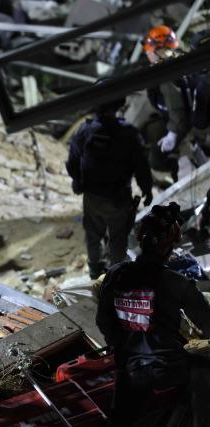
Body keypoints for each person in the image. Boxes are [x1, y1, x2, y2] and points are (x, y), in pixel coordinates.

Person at [96, 202, 210, 426]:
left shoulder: (115, 274)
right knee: (203, 371)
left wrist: (123, 350)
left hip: (129, 369)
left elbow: (103, 321)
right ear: (170, 246)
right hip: (167, 369)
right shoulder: (177, 283)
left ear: (141, 239)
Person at [66, 93, 153, 279]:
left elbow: (72, 162)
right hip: (118, 197)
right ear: (118, 105)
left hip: (92, 196)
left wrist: (78, 181)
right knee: (118, 237)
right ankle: (115, 276)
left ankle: (95, 271)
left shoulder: (84, 130)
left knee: (93, 234)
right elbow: (141, 165)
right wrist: (147, 189)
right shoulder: (129, 132)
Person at [144, 25, 198, 182]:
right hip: (188, 120)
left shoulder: (166, 70)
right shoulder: (180, 60)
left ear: (156, 48)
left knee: (157, 159)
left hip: (188, 126)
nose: (147, 53)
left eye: (148, 49)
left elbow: (177, 107)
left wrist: (173, 134)